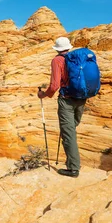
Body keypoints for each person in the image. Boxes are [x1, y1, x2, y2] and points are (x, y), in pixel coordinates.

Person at [37, 36, 86, 178]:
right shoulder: (77, 58)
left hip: (67, 100)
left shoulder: (57, 60)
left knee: (68, 133)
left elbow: (54, 86)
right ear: (69, 47)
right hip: (82, 97)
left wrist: (44, 95)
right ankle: (73, 159)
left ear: (57, 48)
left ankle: (73, 168)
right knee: (71, 129)